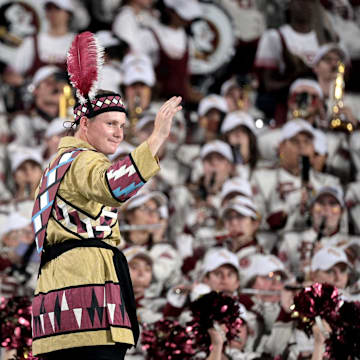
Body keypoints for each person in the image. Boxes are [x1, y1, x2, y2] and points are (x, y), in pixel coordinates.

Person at [30, 32, 182, 359]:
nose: (118, 132)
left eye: (123, 125)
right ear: (84, 124)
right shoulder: (82, 159)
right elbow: (113, 187)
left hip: (63, 302)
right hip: (86, 306)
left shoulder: (60, 163)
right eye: (111, 123)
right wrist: (156, 138)